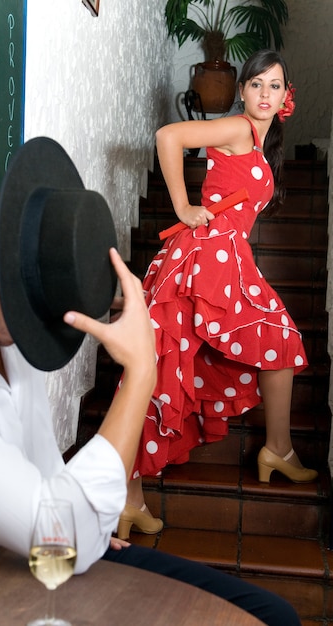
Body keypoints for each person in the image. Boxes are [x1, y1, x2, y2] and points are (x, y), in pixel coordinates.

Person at [0, 137, 301, 625]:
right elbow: (56, 530)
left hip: (50, 552)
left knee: (273, 614)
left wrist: (87, 517)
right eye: (32, 319)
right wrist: (142, 372)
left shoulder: (0, 315)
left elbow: (44, 470)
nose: (40, 332)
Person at [119, 49, 318, 541]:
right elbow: (169, 136)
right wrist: (184, 206)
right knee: (160, 368)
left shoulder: (258, 140)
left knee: (279, 342)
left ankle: (277, 448)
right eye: (255, 84)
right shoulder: (236, 129)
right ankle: (126, 496)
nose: (264, 94)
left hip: (227, 261)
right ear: (242, 90)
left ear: (286, 96)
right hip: (203, 260)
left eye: (274, 86)